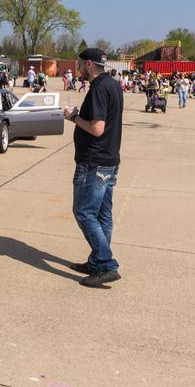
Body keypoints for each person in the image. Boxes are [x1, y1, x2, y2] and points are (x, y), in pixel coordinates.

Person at [63, 48, 123, 288]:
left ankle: (106, 263)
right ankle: (97, 261)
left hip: (94, 161)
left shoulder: (99, 88)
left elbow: (97, 128)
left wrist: (73, 117)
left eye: (79, 64)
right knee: (102, 215)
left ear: (89, 64)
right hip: (109, 160)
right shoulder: (113, 84)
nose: (78, 68)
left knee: (84, 212)